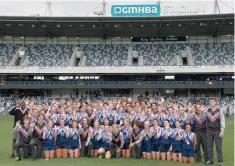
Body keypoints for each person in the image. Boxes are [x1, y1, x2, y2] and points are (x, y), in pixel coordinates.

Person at [205, 98, 225, 166]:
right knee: (209, 147)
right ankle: (211, 160)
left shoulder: (220, 110)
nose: (212, 102)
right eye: (210, 101)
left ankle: (220, 161)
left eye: (213, 101)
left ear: (216, 102)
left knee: (218, 147)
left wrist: (222, 131)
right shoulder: (207, 110)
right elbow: (206, 121)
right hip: (209, 131)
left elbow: (222, 121)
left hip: (217, 131)